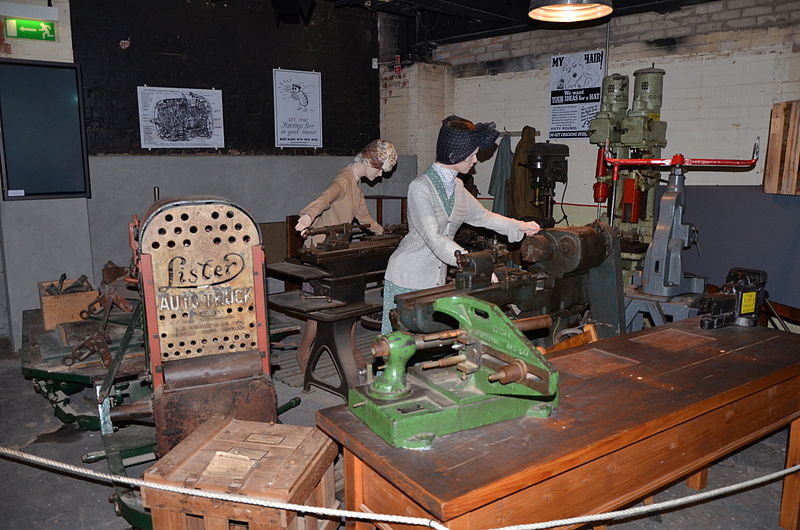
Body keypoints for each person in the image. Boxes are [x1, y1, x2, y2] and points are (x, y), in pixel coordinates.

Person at [381, 116, 540, 333]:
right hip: (406, 276)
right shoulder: (420, 188)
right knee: (396, 345)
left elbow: (483, 217)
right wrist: (474, 264)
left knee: (429, 343)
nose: (475, 160)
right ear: (455, 154)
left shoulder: (456, 186)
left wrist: (519, 226)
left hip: (434, 279)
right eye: (472, 154)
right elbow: (434, 238)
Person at [294, 139, 398, 372]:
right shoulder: (343, 180)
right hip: (320, 252)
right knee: (318, 307)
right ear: (370, 162)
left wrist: (386, 234)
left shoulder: (356, 186)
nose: (380, 175)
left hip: (339, 253)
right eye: (379, 169)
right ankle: (303, 351)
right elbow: (324, 199)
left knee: (352, 302)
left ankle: (350, 349)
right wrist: (308, 217)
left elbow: (366, 220)